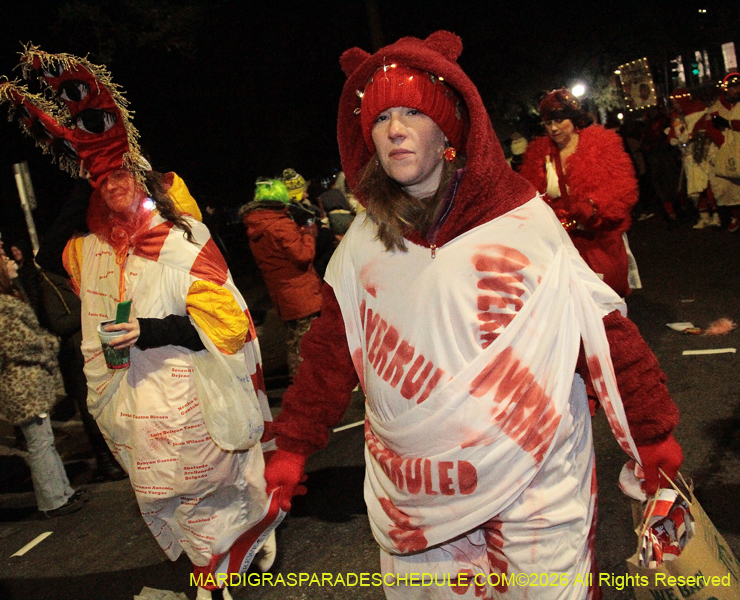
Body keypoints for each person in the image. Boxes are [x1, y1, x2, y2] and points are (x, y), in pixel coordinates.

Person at [263, 31, 683, 600]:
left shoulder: (520, 222)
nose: (394, 128)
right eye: (380, 117)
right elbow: (330, 354)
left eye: (412, 111)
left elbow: (603, 333)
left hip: (533, 478)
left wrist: (652, 433)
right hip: (421, 491)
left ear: (449, 129)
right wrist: (291, 445)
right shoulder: (361, 245)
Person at [0, 46, 280, 600]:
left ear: (147, 183)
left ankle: (218, 572)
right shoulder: (97, 254)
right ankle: (232, 551)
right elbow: (50, 252)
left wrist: (151, 330)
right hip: (138, 402)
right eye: (102, 186)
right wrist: (88, 171)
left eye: (121, 178)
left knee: (201, 489)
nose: (111, 189)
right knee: (165, 494)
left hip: (192, 392)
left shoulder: (183, 242)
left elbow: (227, 327)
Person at [0, 253, 85, 518]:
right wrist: (50, 343)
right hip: (21, 387)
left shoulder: (3, 304)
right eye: (6, 261)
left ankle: (63, 493)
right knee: (40, 444)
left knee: (45, 441)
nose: (12, 262)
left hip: (26, 385)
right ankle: (53, 501)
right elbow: (18, 345)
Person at [520, 89, 640, 297]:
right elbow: (529, 194)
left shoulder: (602, 146)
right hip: (559, 243)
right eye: (548, 123)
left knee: (602, 297)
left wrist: (592, 207)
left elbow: (622, 187)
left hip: (596, 238)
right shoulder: (540, 154)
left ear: (575, 119)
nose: (554, 128)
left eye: (559, 121)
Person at [37, 267, 127, 481]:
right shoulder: (51, 281)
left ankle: (120, 454)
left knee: (114, 401)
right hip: (78, 355)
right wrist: (91, 309)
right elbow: (59, 323)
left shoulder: (86, 272)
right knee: (92, 408)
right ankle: (105, 460)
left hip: (103, 344)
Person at [239, 179, 323, 379]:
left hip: (282, 295)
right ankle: (306, 386)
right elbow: (302, 256)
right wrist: (309, 234)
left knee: (295, 342)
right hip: (302, 294)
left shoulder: (257, 225)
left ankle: (300, 383)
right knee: (308, 344)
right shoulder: (280, 225)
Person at [695, 72, 740, 232]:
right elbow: (708, 126)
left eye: (738, 86)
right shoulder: (716, 107)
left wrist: (729, 124)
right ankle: (736, 216)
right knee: (728, 185)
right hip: (725, 150)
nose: (736, 90)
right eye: (733, 87)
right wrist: (722, 142)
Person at [667, 88, 715, 227]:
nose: (675, 106)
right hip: (687, 156)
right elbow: (672, 133)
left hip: (702, 153)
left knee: (707, 183)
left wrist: (692, 136)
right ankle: (704, 215)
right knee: (695, 187)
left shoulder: (699, 110)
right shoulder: (676, 116)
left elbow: (705, 127)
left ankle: (716, 214)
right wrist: (673, 139)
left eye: (676, 102)